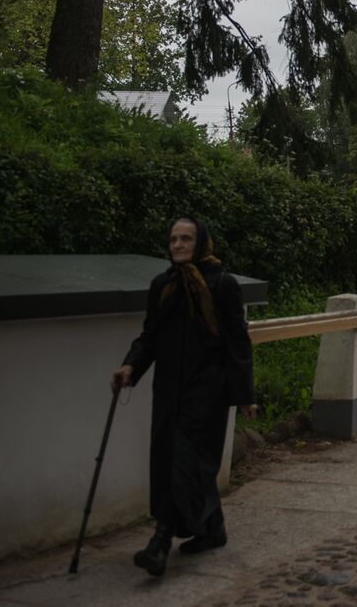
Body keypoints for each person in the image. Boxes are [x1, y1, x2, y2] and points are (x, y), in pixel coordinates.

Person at [110, 218, 256, 577]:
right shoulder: (163, 285)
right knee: (173, 463)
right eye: (173, 238)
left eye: (186, 238)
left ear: (201, 241)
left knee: (185, 466)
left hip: (207, 393)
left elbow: (238, 343)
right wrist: (130, 366)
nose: (178, 244)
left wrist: (245, 395)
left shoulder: (222, 285)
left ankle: (159, 543)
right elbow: (150, 336)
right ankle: (213, 529)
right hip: (169, 392)